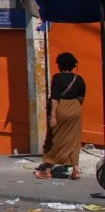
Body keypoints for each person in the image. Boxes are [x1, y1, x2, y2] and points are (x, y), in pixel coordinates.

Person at [36, 52, 86, 180]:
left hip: (61, 108)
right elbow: (81, 97)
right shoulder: (79, 79)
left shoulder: (57, 78)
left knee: (55, 139)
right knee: (74, 140)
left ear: (60, 65)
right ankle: (75, 170)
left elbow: (54, 98)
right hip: (76, 109)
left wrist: (53, 116)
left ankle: (47, 170)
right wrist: (74, 107)